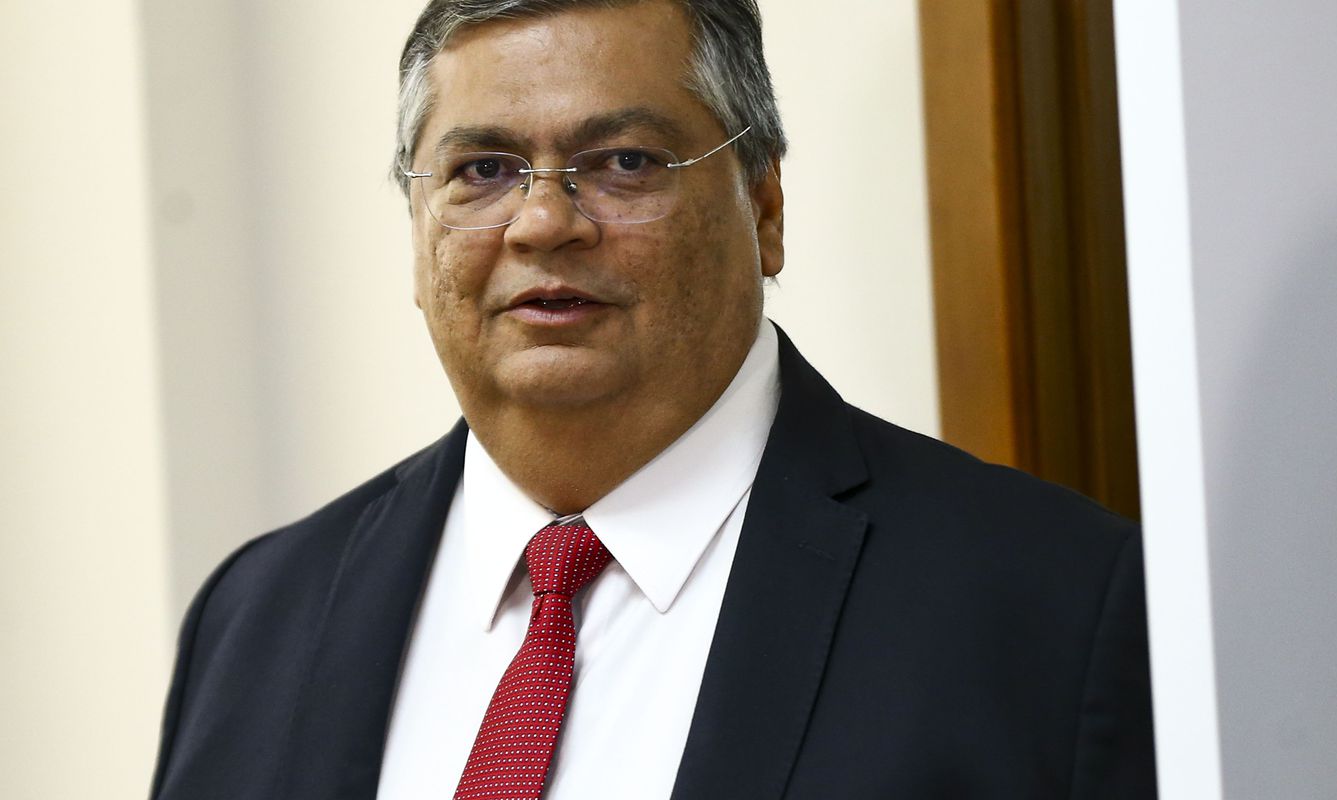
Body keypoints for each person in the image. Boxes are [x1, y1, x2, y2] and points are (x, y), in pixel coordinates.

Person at [149, 0, 1158, 798]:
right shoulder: (255, 617)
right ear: (418, 228)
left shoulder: (1054, 603)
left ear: (764, 205)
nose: (543, 221)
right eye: (483, 169)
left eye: (624, 162)